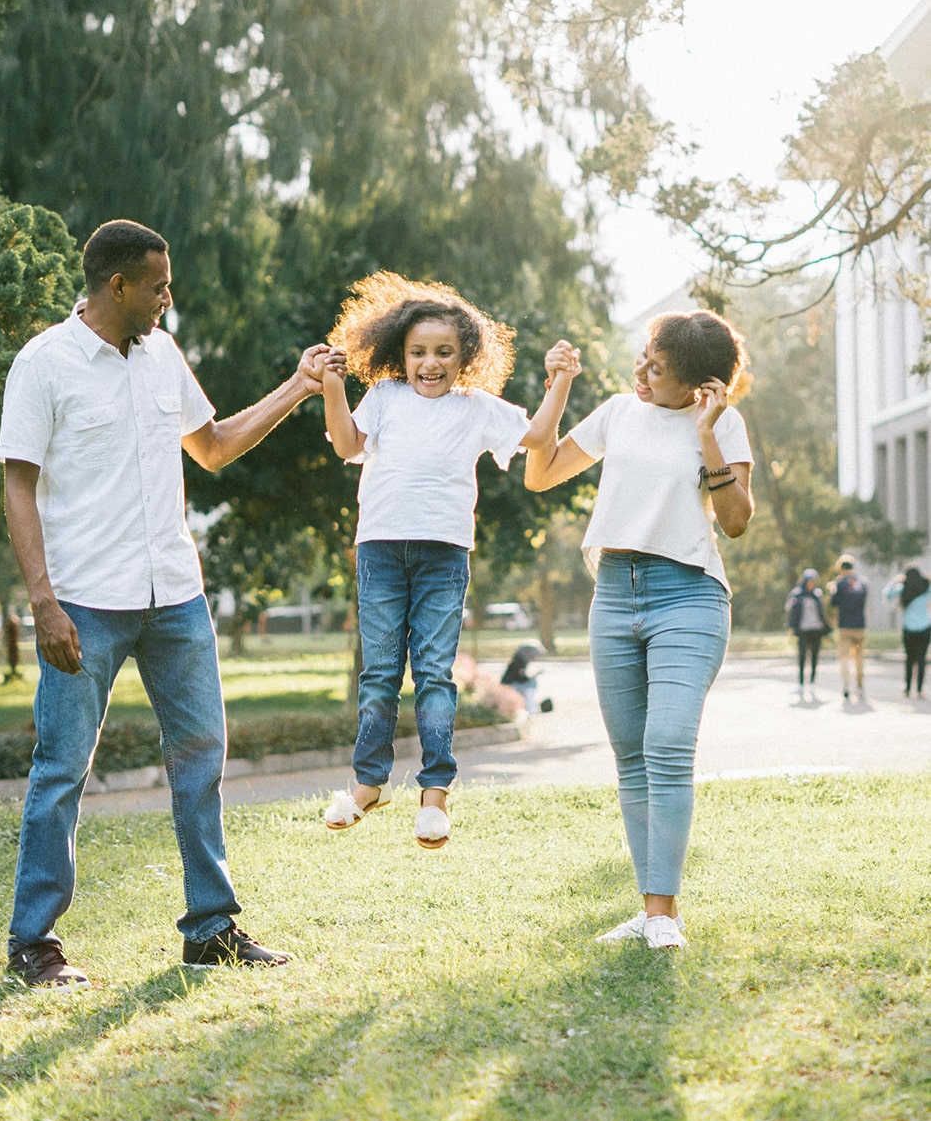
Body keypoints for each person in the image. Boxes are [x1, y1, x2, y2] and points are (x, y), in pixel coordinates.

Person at [0, 218, 330, 987]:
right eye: (157, 285)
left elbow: (211, 446)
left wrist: (297, 386)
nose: (167, 297)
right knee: (61, 770)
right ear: (117, 285)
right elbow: (17, 485)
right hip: (84, 601)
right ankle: (33, 942)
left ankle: (209, 929)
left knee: (200, 759)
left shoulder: (162, 354)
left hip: (175, 596)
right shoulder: (44, 363)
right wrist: (43, 603)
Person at [318, 271, 576, 849]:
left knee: (434, 672)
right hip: (381, 550)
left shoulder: (477, 407)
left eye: (443, 352)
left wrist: (558, 381)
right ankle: (368, 785)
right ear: (399, 354)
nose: (429, 363)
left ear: (466, 357)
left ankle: (435, 796)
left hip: (443, 555)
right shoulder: (384, 397)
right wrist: (334, 387)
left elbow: (536, 436)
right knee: (381, 673)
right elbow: (346, 445)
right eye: (417, 353)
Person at [524, 309, 753, 951]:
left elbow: (735, 521)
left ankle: (663, 915)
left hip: (689, 595)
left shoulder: (723, 422)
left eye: (661, 369)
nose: (644, 372)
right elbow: (538, 474)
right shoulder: (620, 412)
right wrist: (559, 386)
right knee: (632, 759)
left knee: (668, 744)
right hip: (614, 593)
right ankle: (652, 910)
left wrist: (706, 433)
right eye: (645, 358)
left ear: (702, 386)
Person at [883, 566, 931, 698]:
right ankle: (920, 689)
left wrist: (895, 581)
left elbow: (887, 595)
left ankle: (908, 687)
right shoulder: (927, 588)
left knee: (909, 658)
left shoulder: (903, 588)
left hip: (908, 628)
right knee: (921, 659)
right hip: (925, 627)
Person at [828, 554, 868, 701]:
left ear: (841, 569)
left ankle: (846, 685)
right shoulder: (863, 583)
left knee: (844, 657)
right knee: (858, 657)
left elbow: (834, 603)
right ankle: (860, 685)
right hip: (859, 625)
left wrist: (832, 589)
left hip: (845, 626)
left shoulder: (840, 583)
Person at [785, 570, 830, 696]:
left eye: (813, 582)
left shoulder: (817, 594)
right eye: (809, 581)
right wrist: (792, 627)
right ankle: (800, 684)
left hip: (816, 629)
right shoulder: (797, 594)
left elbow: (822, 613)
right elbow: (791, 611)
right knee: (802, 657)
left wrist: (826, 629)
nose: (811, 584)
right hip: (803, 630)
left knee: (815, 657)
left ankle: (812, 683)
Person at [500, 641, 546, 715]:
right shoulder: (520, 660)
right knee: (531, 684)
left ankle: (530, 707)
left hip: (512, 684)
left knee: (530, 683)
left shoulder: (519, 659)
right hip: (510, 686)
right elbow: (521, 678)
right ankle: (531, 708)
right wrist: (534, 675)